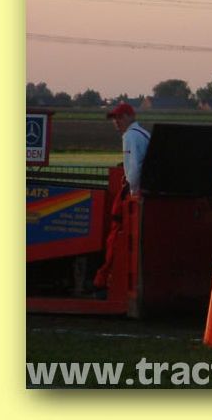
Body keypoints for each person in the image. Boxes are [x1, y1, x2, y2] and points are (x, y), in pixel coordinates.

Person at [93, 102, 150, 291]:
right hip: (146, 191)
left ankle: (106, 279)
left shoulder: (130, 136)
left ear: (129, 117)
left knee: (117, 232)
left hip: (136, 194)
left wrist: (132, 196)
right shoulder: (143, 133)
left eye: (119, 117)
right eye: (114, 119)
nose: (116, 122)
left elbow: (133, 169)